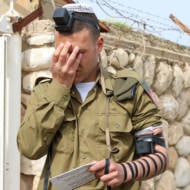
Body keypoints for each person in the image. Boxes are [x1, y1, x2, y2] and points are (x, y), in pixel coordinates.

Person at [17, 3, 168, 190]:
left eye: (79, 52)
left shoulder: (130, 89)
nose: (71, 60)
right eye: (63, 51)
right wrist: (59, 87)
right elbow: (29, 149)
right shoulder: (44, 92)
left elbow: (159, 156)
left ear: (99, 45)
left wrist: (125, 171)